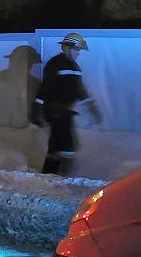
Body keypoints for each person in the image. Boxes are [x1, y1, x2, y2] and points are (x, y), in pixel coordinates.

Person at [31, 33, 103, 176]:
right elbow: (45, 88)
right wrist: (37, 108)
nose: (78, 54)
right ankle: (60, 175)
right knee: (66, 143)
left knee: (58, 144)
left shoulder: (74, 67)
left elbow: (79, 89)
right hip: (55, 111)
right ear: (66, 48)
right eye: (76, 50)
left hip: (65, 111)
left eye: (79, 51)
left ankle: (50, 174)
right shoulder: (55, 64)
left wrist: (91, 106)